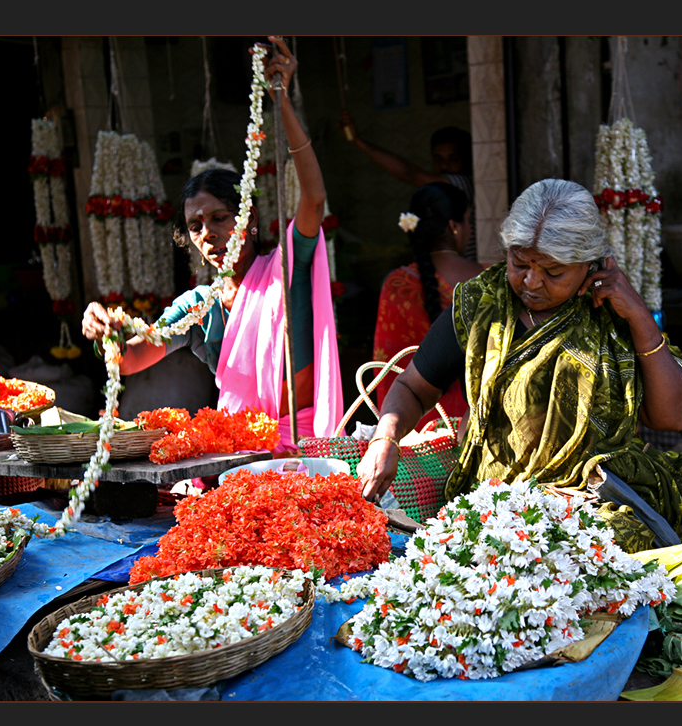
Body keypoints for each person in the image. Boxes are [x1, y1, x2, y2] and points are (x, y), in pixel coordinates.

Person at [357, 178, 682, 552]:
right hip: (508, 499)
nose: (530, 281)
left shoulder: (611, 313)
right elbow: (414, 387)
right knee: (611, 546)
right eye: (519, 263)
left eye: (553, 272)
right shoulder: (480, 303)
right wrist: (386, 438)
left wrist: (639, 318)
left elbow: (672, 418)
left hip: (609, 483)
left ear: (591, 263)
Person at [82, 36, 342, 455]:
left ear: (250, 219)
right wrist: (103, 333)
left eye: (221, 218)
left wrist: (282, 102)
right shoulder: (198, 307)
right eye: (196, 225)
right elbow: (130, 361)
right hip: (235, 454)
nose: (209, 234)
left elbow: (312, 198)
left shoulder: (286, 268)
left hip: (304, 448)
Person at [372, 182, 484, 430]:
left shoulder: (396, 285)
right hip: (474, 431)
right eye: (467, 221)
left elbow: (386, 370)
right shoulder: (487, 281)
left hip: (411, 434)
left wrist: (389, 435)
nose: (469, 229)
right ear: (454, 227)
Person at [340, 110, 477, 260]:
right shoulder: (440, 193)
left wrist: (359, 142)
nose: (445, 166)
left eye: (454, 160)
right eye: (438, 160)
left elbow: (410, 174)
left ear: (468, 160)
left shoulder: (463, 183)